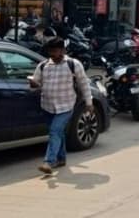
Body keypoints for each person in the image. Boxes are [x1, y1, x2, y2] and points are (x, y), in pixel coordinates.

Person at [29, 36, 93, 175]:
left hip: (66, 106)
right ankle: (61, 158)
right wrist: (33, 84)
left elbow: (84, 84)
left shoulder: (74, 64)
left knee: (54, 131)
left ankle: (49, 162)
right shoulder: (43, 65)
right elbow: (35, 84)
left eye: (57, 51)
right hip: (47, 105)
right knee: (58, 133)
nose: (54, 55)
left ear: (63, 50)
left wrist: (89, 103)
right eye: (51, 52)